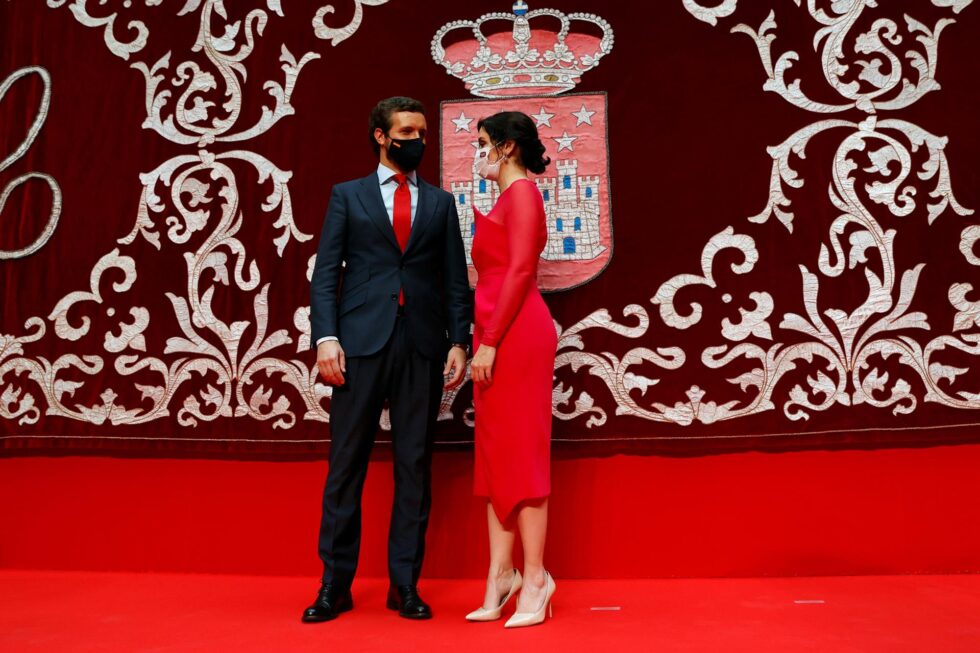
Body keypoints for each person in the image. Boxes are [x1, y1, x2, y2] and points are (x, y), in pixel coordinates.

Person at [303, 96, 471, 623]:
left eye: (421, 131)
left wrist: (459, 341)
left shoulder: (441, 204)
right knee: (346, 466)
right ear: (380, 135)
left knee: (414, 467)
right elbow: (326, 275)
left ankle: (405, 585)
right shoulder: (347, 197)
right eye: (405, 131)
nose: (416, 140)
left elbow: (454, 282)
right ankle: (335, 585)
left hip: (421, 345)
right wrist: (326, 339)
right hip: (358, 345)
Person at [464, 111, 558, 628]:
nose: (476, 152)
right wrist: (483, 340)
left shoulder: (522, 194)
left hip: (515, 336)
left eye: (482, 143)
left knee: (520, 455)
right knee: (496, 457)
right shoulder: (507, 196)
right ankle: (502, 574)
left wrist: (492, 342)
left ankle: (537, 577)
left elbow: (520, 270)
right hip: (494, 334)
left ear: (506, 148)